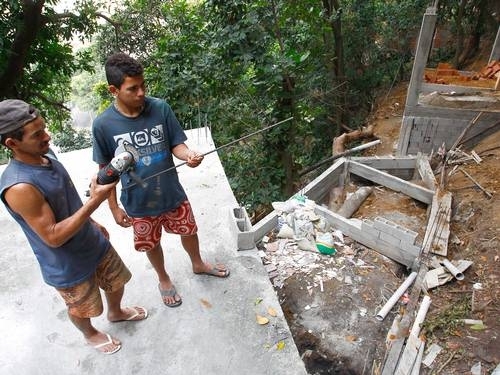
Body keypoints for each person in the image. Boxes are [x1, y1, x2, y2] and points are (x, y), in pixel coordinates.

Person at [0, 99, 148, 355]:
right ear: (12, 144)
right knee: (81, 306)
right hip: (66, 262)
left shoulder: (46, 155)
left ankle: (116, 312)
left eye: (44, 128)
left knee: (117, 282)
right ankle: (90, 333)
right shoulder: (20, 187)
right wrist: (96, 201)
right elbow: (53, 237)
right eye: (37, 135)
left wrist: (92, 221)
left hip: (91, 240)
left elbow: (66, 198)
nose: (47, 137)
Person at [92, 52, 229, 308]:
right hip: (138, 201)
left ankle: (197, 263)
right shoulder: (103, 125)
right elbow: (105, 171)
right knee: (151, 242)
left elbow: (177, 144)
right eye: (133, 88)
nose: (141, 92)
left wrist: (189, 155)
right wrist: (113, 208)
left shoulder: (160, 108)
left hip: (171, 193)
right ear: (114, 90)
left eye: (143, 85)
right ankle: (163, 278)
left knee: (189, 230)